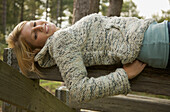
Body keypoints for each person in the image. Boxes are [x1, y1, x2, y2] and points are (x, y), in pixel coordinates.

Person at [6, 13, 170, 103]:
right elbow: (79, 90)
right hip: (156, 42)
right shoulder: (59, 42)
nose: (41, 26)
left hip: (157, 36)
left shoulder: (63, 37)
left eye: (35, 23)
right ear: (36, 50)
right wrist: (124, 76)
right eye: (35, 34)